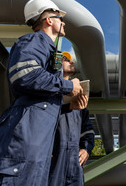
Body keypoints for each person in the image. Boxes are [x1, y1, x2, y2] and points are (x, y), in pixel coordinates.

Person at [0, 0, 87, 186]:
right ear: (49, 20)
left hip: (36, 144)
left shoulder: (48, 50)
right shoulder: (34, 40)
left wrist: (68, 107)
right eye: (60, 18)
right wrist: (69, 86)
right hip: (24, 139)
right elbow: (24, 76)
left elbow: (41, 102)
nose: (63, 23)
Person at [48, 52, 95, 186]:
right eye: (66, 60)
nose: (72, 62)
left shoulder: (79, 100)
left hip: (74, 162)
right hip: (53, 159)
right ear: (57, 64)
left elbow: (88, 131)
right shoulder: (48, 95)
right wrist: (67, 107)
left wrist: (86, 149)